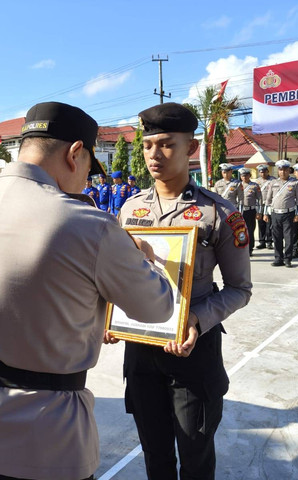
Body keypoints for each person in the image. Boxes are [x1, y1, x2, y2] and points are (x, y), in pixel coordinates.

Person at [0, 101, 175, 480]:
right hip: (46, 439)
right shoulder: (90, 226)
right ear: (75, 153)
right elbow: (157, 308)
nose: (86, 180)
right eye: (87, 168)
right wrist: (145, 259)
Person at [117, 102, 252, 480]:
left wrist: (196, 317)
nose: (153, 155)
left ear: (191, 148)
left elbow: (240, 289)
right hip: (141, 350)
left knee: (195, 456)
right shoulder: (129, 210)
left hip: (193, 351)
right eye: (147, 145)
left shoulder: (219, 213)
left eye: (166, 144)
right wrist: (110, 315)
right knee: (155, 455)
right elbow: (119, 277)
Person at [263, 159, 298, 267]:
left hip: (289, 214)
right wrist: (265, 214)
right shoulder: (273, 183)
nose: (283, 172)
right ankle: (278, 258)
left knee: (289, 238)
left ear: (289, 170)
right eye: (281, 170)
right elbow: (268, 199)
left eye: (285, 170)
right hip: (275, 213)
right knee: (276, 237)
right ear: (278, 171)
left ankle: (287, 259)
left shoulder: (295, 183)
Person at [239, 167, 262, 256]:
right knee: (240, 230)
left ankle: (250, 249)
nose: (244, 177)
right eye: (243, 176)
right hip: (240, 211)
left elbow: (259, 199)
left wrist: (259, 212)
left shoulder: (255, 186)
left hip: (250, 211)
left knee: (250, 230)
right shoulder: (238, 185)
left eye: (246, 175)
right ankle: (241, 248)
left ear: (250, 176)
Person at [255, 164, 275, 250]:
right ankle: (262, 241)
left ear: (268, 171)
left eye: (264, 172)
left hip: (269, 204)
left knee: (269, 223)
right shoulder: (257, 181)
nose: (263, 174)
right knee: (261, 223)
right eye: (261, 172)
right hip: (260, 204)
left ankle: (269, 241)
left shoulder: (273, 180)